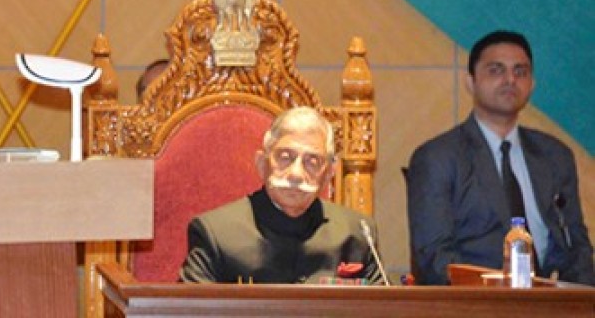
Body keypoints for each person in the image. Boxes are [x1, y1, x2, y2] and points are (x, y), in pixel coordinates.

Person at [407, 30, 594, 285]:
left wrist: (579, 299)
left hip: (549, 299)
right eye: (496, 70)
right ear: (471, 82)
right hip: (472, 300)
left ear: (532, 84)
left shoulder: (555, 156)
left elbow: (577, 249)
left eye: (520, 72)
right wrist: (496, 291)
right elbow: (434, 259)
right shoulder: (438, 158)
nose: (510, 80)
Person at [180, 106, 384, 284]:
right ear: (262, 164)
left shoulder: (358, 233)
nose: (296, 174)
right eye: (285, 157)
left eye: (312, 161)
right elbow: (190, 309)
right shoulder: (215, 233)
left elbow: (383, 307)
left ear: (329, 173)